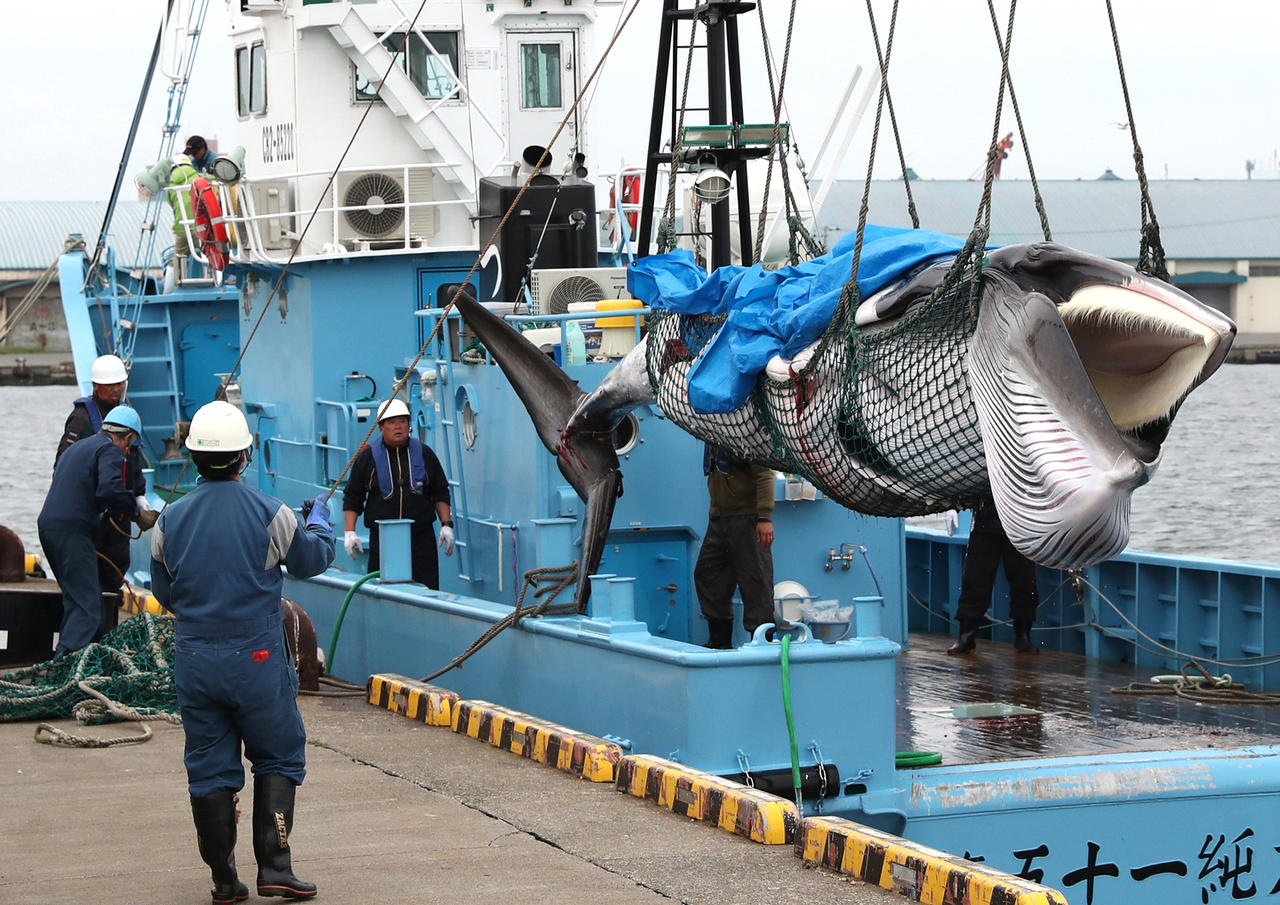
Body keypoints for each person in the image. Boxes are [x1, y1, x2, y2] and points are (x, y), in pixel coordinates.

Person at [150, 400, 335, 902]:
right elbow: (313, 560)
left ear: (193, 459)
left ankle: (224, 880)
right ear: (243, 456)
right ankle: (275, 867)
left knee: (209, 766)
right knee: (277, 755)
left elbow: (165, 593)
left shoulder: (169, 520)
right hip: (257, 662)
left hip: (194, 661)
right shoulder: (270, 512)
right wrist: (320, 521)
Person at [38, 405, 154, 655]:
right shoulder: (110, 449)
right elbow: (109, 489)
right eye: (129, 445)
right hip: (73, 532)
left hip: (49, 528)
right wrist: (136, 514)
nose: (127, 451)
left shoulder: (81, 446)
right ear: (127, 437)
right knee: (88, 606)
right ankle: (67, 667)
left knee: (75, 599)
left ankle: (66, 660)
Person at [54, 353, 151, 594]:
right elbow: (63, 463)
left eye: (119, 384)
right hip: (92, 513)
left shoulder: (126, 416)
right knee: (89, 574)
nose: (115, 390)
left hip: (120, 514)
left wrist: (138, 494)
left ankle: (107, 625)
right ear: (96, 386)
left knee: (115, 571)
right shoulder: (82, 417)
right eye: (110, 385)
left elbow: (134, 458)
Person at [342, 398, 454, 588]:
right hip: (383, 540)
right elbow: (353, 497)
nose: (398, 427)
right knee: (382, 587)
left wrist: (446, 525)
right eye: (392, 422)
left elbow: (440, 491)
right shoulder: (367, 459)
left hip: (421, 538)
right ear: (381, 427)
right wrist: (349, 532)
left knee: (426, 586)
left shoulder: (425, 454)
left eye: (403, 422)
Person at [694, 443, 774, 649]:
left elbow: (764, 475)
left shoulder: (741, 434)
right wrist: (715, 504)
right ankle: (719, 640)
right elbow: (716, 474)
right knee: (708, 574)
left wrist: (764, 518)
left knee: (755, 581)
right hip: (721, 519)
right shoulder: (712, 436)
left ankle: (762, 643)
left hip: (747, 519)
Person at [947, 494, 1040, 655]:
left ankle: (1023, 635)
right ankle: (966, 636)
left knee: (1025, 580)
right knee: (975, 579)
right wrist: (952, 507)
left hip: (1021, 523)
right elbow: (965, 475)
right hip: (985, 521)